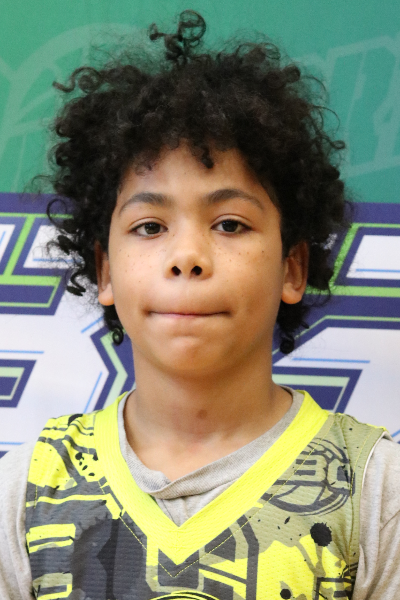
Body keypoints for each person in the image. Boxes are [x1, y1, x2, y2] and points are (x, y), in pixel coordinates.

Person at [1, 10, 400, 600]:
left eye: (230, 223)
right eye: (149, 226)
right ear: (105, 271)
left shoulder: (375, 491)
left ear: (293, 268)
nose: (187, 256)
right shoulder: (27, 491)